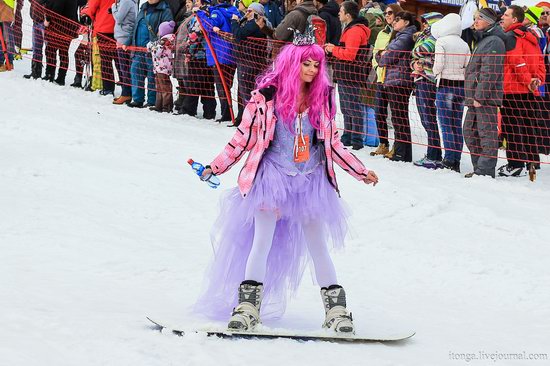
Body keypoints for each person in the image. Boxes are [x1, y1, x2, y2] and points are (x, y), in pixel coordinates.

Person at [193, 34, 378, 333]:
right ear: (292, 63)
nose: (313, 70)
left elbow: (333, 144)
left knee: (318, 243)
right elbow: (243, 138)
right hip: (272, 177)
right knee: (261, 240)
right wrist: (216, 166)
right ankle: (248, 307)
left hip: (311, 180)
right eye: (306, 64)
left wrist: (360, 170)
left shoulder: (325, 97)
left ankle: (337, 311)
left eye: (317, 65)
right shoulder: (265, 96)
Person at [497, 5, 545, 177]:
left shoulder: (510, 36)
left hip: (513, 90)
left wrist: (529, 81)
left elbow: (517, 62)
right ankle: (533, 162)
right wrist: (537, 80)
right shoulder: (531, 36)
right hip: (529, 91)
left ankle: (515, 164)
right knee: (528, 126)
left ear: (515, 19)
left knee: (512, 128)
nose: (502, 17)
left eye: (506, 14)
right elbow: (540, 62)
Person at [463, 8, 508, 178]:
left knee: (486, 135)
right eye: (474, 18)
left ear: (489, 21)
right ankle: (479, 168)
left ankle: (485, 172)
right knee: (469, 132)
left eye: (479, 18)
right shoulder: (483, 39)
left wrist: (479, 96)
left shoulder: (494, 41)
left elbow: (490, 71)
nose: (475, 21)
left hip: (484, 98)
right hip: (474, 96)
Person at [324, 0, 371, 150]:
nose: (339, 13)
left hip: (351, 74)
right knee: (346, 106)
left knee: (353, 106)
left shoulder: (355, 30)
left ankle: (356, 139)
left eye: (341, 11)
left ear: (348, 15)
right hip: (346, 73)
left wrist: (333, 49)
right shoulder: (350, 28)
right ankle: (348, 136)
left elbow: (350, 54)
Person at [376, 10, 418, 162]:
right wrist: (381, 55)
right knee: (399, 117)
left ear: (406, 22)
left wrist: (382, 55)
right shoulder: (401, 36)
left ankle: (401, 153)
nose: (393, 22)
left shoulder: (406, 37)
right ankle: (402, 152)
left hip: (399, 81)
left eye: (397, 19)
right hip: (395, 80)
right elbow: (383, 56)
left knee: (399, 118)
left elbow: (387, 57)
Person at [431, 13, 470, 173]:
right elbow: (468, 67)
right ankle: (457, 160)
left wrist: (435, 72)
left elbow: (438, 64)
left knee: (446, 124)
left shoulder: (441, 41)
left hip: (445, 85)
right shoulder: (464, 44)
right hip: (461, 87)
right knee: (456, 125)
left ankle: (448, 159)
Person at [197, 0, 240, 122]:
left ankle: (226, 113)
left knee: (222, 86)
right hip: (232, 53)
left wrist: (201, 14)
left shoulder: (217, 12)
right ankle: (229, 111)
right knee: (228, 85)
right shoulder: (235, 12)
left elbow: (209, 25)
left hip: (219, 54)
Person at [410, 12, 443, 169]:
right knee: (425, 119)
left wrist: (416, 54)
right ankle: (434, 153)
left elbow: (421, 50)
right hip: (420, 78)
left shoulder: (434, 36)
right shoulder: (424, 35)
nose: (423, 25)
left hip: (428, 80)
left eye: (426, 22)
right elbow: (415, 58)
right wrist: (415, 64)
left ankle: (433, 155)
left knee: (428, 118)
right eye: (422, 22)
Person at [370, 3, 402, 158]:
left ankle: (398, 145)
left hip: (394, 78)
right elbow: (376, 54)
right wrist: (377, 68)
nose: (387, 15)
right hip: (381, 77)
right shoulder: (382, 32)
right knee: (379, 112)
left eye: (390, 13)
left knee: (396, 115)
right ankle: (383, 143)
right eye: (385, 13)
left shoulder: (400, 32)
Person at [128, 0, 173, 108]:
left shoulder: (165, 10)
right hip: (138, 49)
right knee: (135, 72)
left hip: (153, 51)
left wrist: (155, 45)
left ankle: (152, 100)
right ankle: (137, 99)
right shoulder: (143, 8)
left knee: (152, 76)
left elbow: (166, 32)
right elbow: (136, 28)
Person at [231, 1, 269, 126]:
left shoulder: (255, 24)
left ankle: (250, 120)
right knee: (246, 91)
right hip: (249, 61)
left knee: (247, 91)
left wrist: (235, 21)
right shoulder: (253, 23)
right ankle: (244, 118)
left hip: (249, 61)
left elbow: (238, 34)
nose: (246, 13)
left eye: (249, 11)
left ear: (257, 14)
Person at [179, 0, 217, 119]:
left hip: (198, 54)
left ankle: (188, 109)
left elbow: (194, 36)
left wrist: (187, 50)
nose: (195, 2)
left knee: (193, 84)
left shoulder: (201, 15)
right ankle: (209, 112)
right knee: (208, 85)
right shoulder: (211, 13)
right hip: (209, 56)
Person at [81, 0, 117, 96]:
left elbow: (91, 7)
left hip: (103, 28)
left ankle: (108, 88)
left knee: (105, 61)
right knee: (120, 62)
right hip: (119, 29)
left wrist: (85, 15)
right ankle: (128, 91)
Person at [43, 0, 79, 84]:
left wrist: (47, 19)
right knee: (63, 52)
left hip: (59, 27)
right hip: (69, 27)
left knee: (50, 50)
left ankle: (50, 75)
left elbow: (56, 9)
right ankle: (61, 77)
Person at [147, 20, 176, 112]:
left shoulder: (165, 41)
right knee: (160, 86)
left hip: (162, 67)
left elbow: (157, 52)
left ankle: (166, 106)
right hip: (160, 67)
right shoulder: (165, 40)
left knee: (164, 87)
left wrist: (151, 46)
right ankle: (159, 105)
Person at [111, 0, 136, 104]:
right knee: (124, 68)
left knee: (124, 68)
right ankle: (126, 93)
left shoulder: (126, 1)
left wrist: (113, 7)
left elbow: (118, 18)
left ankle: (127, 94)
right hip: (122, 36)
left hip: (124, 37)